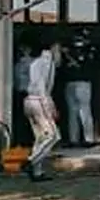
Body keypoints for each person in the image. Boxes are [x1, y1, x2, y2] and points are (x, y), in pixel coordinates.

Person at [24, 42, 59, 181]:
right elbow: (42, 86)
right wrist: (49, 105)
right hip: (39, 100)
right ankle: (31, 161)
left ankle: (37, 172)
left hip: (29, 100)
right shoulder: (47, 62)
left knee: (40, 137)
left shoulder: (35, 62)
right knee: (53, 136)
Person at [61, 33, 98, 147]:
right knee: (74, 113)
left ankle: (87, 139)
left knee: (83, 111)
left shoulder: (89, 52)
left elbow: (90, 66)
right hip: (72, 82)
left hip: (83, 83)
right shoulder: (69, 52)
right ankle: (76, 139)